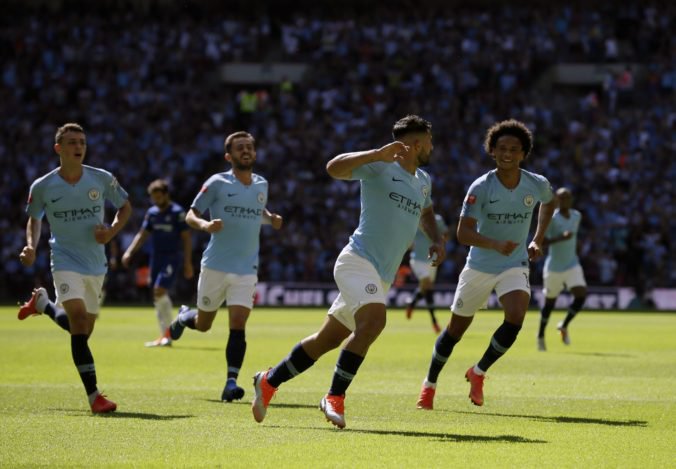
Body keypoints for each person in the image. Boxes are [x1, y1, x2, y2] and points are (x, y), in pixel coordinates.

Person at [251, 115, 445, 429]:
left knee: (325, 340)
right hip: (357, 260)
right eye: (430, 141)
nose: (433, 147)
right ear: (417, 144)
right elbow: (333, 168)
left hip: (381, 275)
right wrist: (374, 154)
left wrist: (436, 238)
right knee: (374, 322)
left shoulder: (423, 180)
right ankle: (334, 397)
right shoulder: (380, 166)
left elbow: (427, 211)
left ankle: (268, 381)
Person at [416, 119, 555, 410]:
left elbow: (549, 202)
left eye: (514, 149)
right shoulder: (481, 187)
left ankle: (478, 372)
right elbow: (462, 233)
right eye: (502, 148)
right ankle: (429, 385)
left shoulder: (536, 184)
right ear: (492, 150)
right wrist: (494, 244)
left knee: (516, 315)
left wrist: (537, 239)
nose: (508, 153)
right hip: (479, 266)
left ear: (523, 153)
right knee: (455, 331)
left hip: (514, 263)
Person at [17, 122, 131, 413]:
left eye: (81, 141)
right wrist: (31, 245)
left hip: (95, 264)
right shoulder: (43, 186)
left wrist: (112, 231)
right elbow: (34, 218)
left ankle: (42, 304)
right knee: (79, 321)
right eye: (71, 142)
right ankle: (95, 397)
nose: (78, 146)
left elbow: (126, 207)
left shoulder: (101, 178)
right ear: (59, 148)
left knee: (82, 329)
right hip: (64, 259)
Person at [168, 131, 283, 402]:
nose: (246, 151)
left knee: (238, 323)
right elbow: (190, 214)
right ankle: (185, 317)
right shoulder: (217, 183)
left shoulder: (261, 184)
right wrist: (206, 225)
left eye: (249, 148)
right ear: (228, 156)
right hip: (216, 266)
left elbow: (258, 212)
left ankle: (231, 383)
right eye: (240, 148)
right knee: (204, 324)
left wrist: (271, 218)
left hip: (246, 268)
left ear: (254, 154)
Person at [121, 179, 193, 347]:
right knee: (156, 295)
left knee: (159, 290)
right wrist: (130, 251)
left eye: (159, 197)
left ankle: (170, 332)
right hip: (156, 258)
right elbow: (142, 234)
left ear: (166, 195)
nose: (156, 201)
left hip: (172, 257)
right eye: (154, 198)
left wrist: (188, 262)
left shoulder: (177, 212)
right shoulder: (152, 213)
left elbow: (186, 238)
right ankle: (165, 334)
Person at [537, 187, 587, 351]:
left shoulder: (576, 216)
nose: (565, 200)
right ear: (557, 200)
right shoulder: (551, 218)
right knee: (549, 304)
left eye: (567, 197)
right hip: (554, 267)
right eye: (561, 197)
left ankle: (564, 325)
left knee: (581, 295)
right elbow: (542, 242)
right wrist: (560, 238)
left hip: (572, 263)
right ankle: (541, 336)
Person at [405, 213, 450, 333]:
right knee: (428, 285)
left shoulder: (437, 219)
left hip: (431, 260)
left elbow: (446, 235)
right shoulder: (412, 218)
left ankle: (412, 302)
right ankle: (434, 321)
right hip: (417, 259)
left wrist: (441, 241)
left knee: (426, 288)